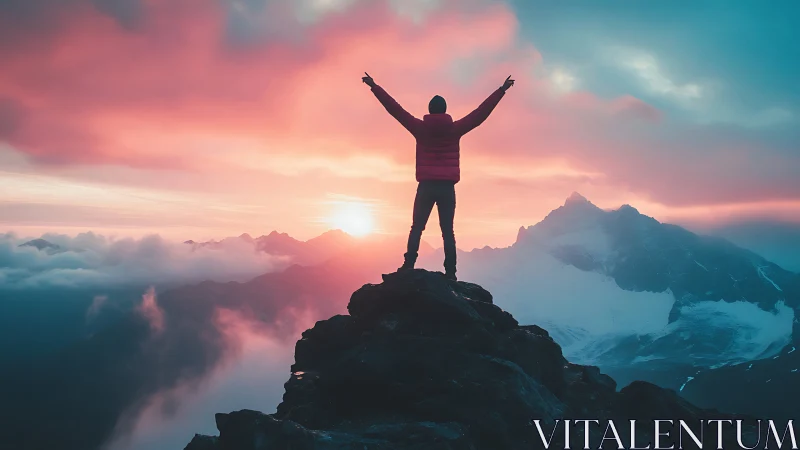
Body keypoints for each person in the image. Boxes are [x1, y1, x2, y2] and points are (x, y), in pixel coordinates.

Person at [362, 72, 514, 280]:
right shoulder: (455, 129)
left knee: (417, 227)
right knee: (447, 232)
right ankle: (450, 273)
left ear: (429, 111)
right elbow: (480, 114)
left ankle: (408, 265)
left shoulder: (419, 128)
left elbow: (394, 110)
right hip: (447, 188)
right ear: (445, 111)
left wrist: (374, 86)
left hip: (425, 186)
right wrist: (501, 90)